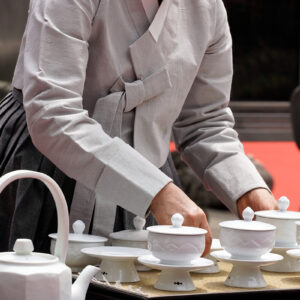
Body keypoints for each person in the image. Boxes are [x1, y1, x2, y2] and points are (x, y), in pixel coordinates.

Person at [0, 0, 278, 255]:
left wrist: (248, 191)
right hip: (47, 170)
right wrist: (156, 192)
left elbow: (205, 121)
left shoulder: (207, 7)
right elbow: (52, 112)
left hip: (152, 179)